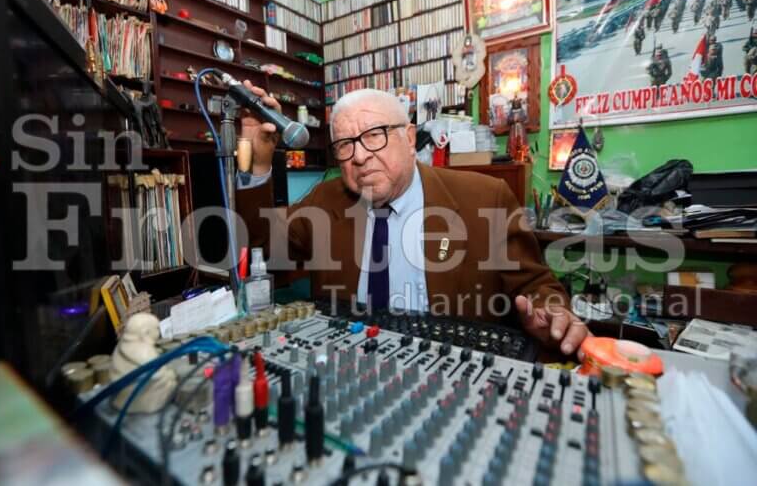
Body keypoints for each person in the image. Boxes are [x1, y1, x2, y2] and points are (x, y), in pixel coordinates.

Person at [235, 83, 590, 356]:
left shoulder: (486, 198)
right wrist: (257, 160)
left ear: (407, 138)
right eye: (344, 144)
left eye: (374, 135)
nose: (359, 156)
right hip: (350, 366)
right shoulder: (325, 202)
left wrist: (550, 313)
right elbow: (260, 248)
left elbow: (537, 287)